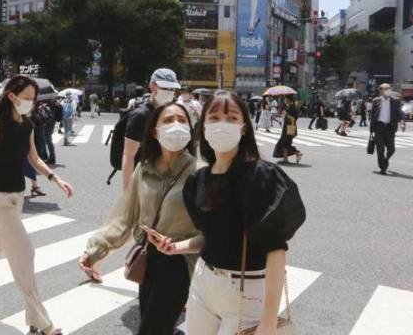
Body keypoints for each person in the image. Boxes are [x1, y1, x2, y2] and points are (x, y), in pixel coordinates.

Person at [147, 91, 306, 334]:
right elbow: (213, 237)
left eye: (231, 117)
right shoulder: (198, 180)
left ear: (244, 128)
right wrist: (175, 247)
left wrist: (268, 322)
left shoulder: (262, 177)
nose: (222, 124)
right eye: (214, 117)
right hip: (203, 283)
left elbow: (275, 251)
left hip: (246, 289)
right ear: (203, 126)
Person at [0, 75, 73, 335]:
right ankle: (40, 320)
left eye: (34, 98)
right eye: (27, 98)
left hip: (17, 196)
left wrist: (56, 179)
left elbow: (34, 158)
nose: (31, 102)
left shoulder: (28, 124)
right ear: (12, 96)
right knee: (25, 252)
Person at [79, 102, 198, 334]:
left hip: (181, 263)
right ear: (154, 131)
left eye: (182, 120)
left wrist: (181, 246)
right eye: (168, 120)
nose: (176, 125)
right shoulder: (144, 168)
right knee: (155, 325)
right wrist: (95, 249)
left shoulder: (199, 171)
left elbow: (211, 228)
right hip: (148, 259)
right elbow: (125, 215)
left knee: (151, 329)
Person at [121, 68, 181, 191]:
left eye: (172, 89)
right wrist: (127, 191)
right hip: (144, 182)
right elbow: (128, 155)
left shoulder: (173, 112)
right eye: (165, 88)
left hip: (169, 180)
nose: (169, 92)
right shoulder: (140, 115)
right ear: (152, 86)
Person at [370, 84, 403, 175]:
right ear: (381, 91)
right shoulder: (376, 101)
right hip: (379, 127)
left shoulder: (396, 101)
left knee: (391, 149)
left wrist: (402, 122)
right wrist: (371, 130)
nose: (387, 90)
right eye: (384, 89)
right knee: (380, 149)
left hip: (390, 127)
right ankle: (383, 167)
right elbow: (372, 116)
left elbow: (399, 113)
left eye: (388, 89)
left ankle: (386, 160)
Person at [273, 95, 303, 164]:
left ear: (289, 100)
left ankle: (296, 153)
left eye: (285, 99)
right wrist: (281, 114)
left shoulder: (292, 107)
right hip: (286, 127)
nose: (285, 100)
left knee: (285, 143)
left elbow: (294, 118)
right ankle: (286, 158)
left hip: (289, 128)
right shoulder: (289, 107)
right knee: (284, 144)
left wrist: (286, 114)